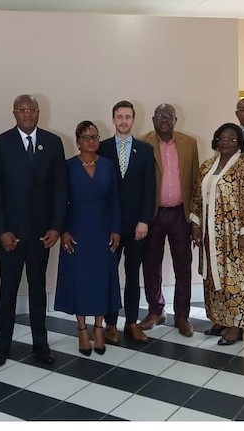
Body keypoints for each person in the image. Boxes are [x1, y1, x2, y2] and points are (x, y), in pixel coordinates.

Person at [0, 94, 68, 368]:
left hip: (42, 235)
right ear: (14, 113)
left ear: (38, 111)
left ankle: (40, 345)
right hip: (10, 235)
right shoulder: (0, 143)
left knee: (38, 290)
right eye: (21, 110)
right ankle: (3, 345)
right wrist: (1, 231)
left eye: (31, 109)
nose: (27, 114)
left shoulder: (53, 143)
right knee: (8, 290)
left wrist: (56, 226)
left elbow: (60, 189)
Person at [191, 123, 244, 346]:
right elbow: (197, 197)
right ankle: (221, 319)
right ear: (216, 141)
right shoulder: (207, 166)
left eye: (232, 139)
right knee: (214, 278)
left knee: (235, 280)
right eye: (222, 138)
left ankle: (236, 326)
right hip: (211, 236)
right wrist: (195, 224)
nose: (226, 142)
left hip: (236, 236)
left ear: (239, 143)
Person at [55, 121, 121, 356]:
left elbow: (115, 200)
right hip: (76, 231)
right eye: (86, 137)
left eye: (94, 137)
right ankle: (82, 329)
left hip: (103, 230)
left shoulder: (108, 166)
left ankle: (99, 328)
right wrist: (63, 230)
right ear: (78, 141)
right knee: (80, 280)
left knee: (101, 280)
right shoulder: (68, 167)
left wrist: (116, 229)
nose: (91, 141)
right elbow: (60, 201)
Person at [98, 101, 155, 344]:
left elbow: (149, 188)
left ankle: (131, 322)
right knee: (109, 275)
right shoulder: (102, 148)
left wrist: (144, 220)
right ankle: (110, 323)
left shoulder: (145, 150)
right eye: (119, 117)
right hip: (109, 225)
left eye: (128, 117)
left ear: (133, 119)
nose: (123, 121)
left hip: (136, 226)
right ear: (113, 119)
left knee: (133, 274)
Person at [140, 103, 199, 337]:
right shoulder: (142, 143)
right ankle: (156, 310)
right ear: (153, 120)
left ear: (175, 119)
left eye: (168, 115)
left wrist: (195, 219)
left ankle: (182, 316)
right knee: (151, 265)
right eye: (160, 115)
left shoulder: (189, 143)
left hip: (180, 214)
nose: (164, 119)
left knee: (183, 266)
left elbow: (195, 181)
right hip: (153, 214)